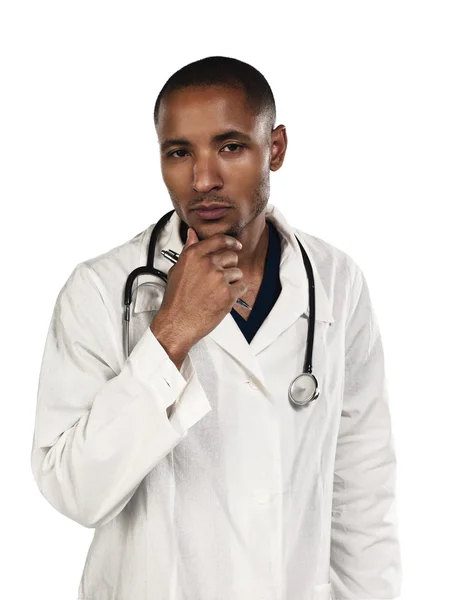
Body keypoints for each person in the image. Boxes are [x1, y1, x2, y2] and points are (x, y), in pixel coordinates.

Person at [30, 55, 402, 600]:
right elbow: (75, 492)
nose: (203, 179)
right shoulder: (99, 290)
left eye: (231, 147)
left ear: (274, 148)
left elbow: (362, 487)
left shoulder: (335, 281)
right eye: (179, 153)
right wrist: (171, 334)